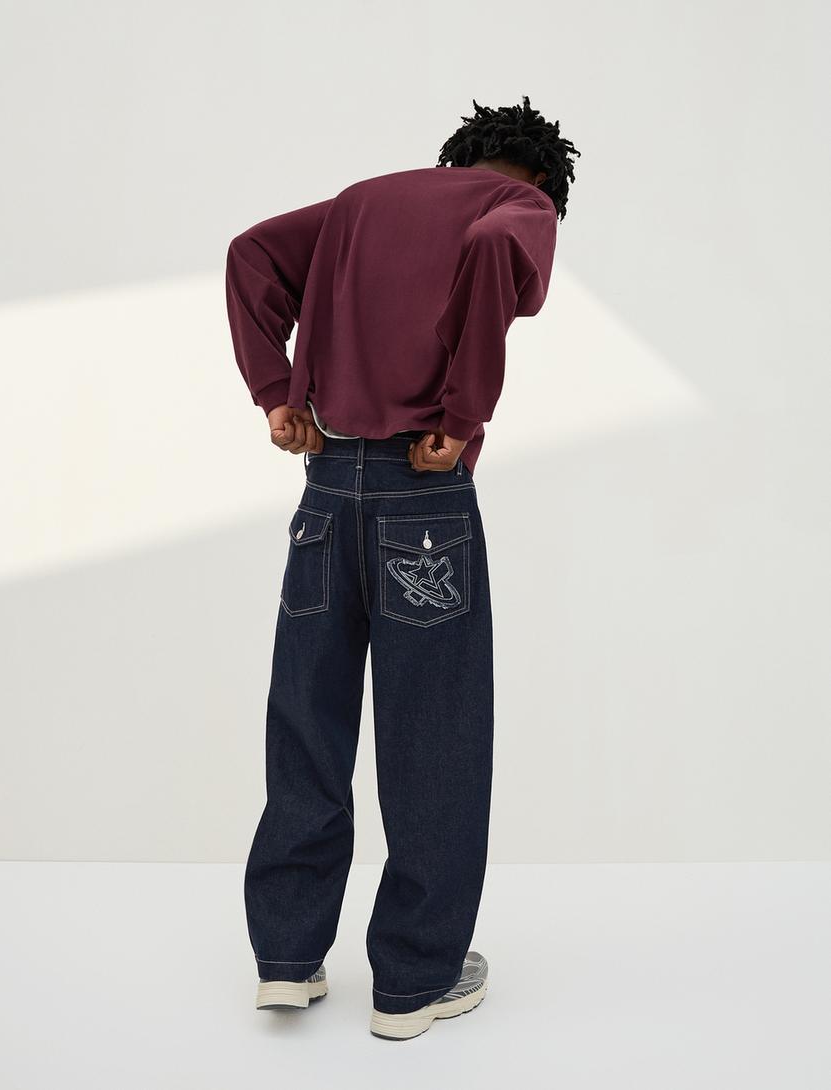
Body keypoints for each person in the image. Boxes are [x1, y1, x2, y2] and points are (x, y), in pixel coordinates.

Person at [224, 94, 580, 1041]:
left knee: (307, 721)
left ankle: (287, 959)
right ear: (541, 184)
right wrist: (462, 416)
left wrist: (275, 392)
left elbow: (250, 253)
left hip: (323, 493)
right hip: (422, 501)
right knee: (435, 736)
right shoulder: (518, 207)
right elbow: (499, 247)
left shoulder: (363, 201)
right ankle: (414, 980)